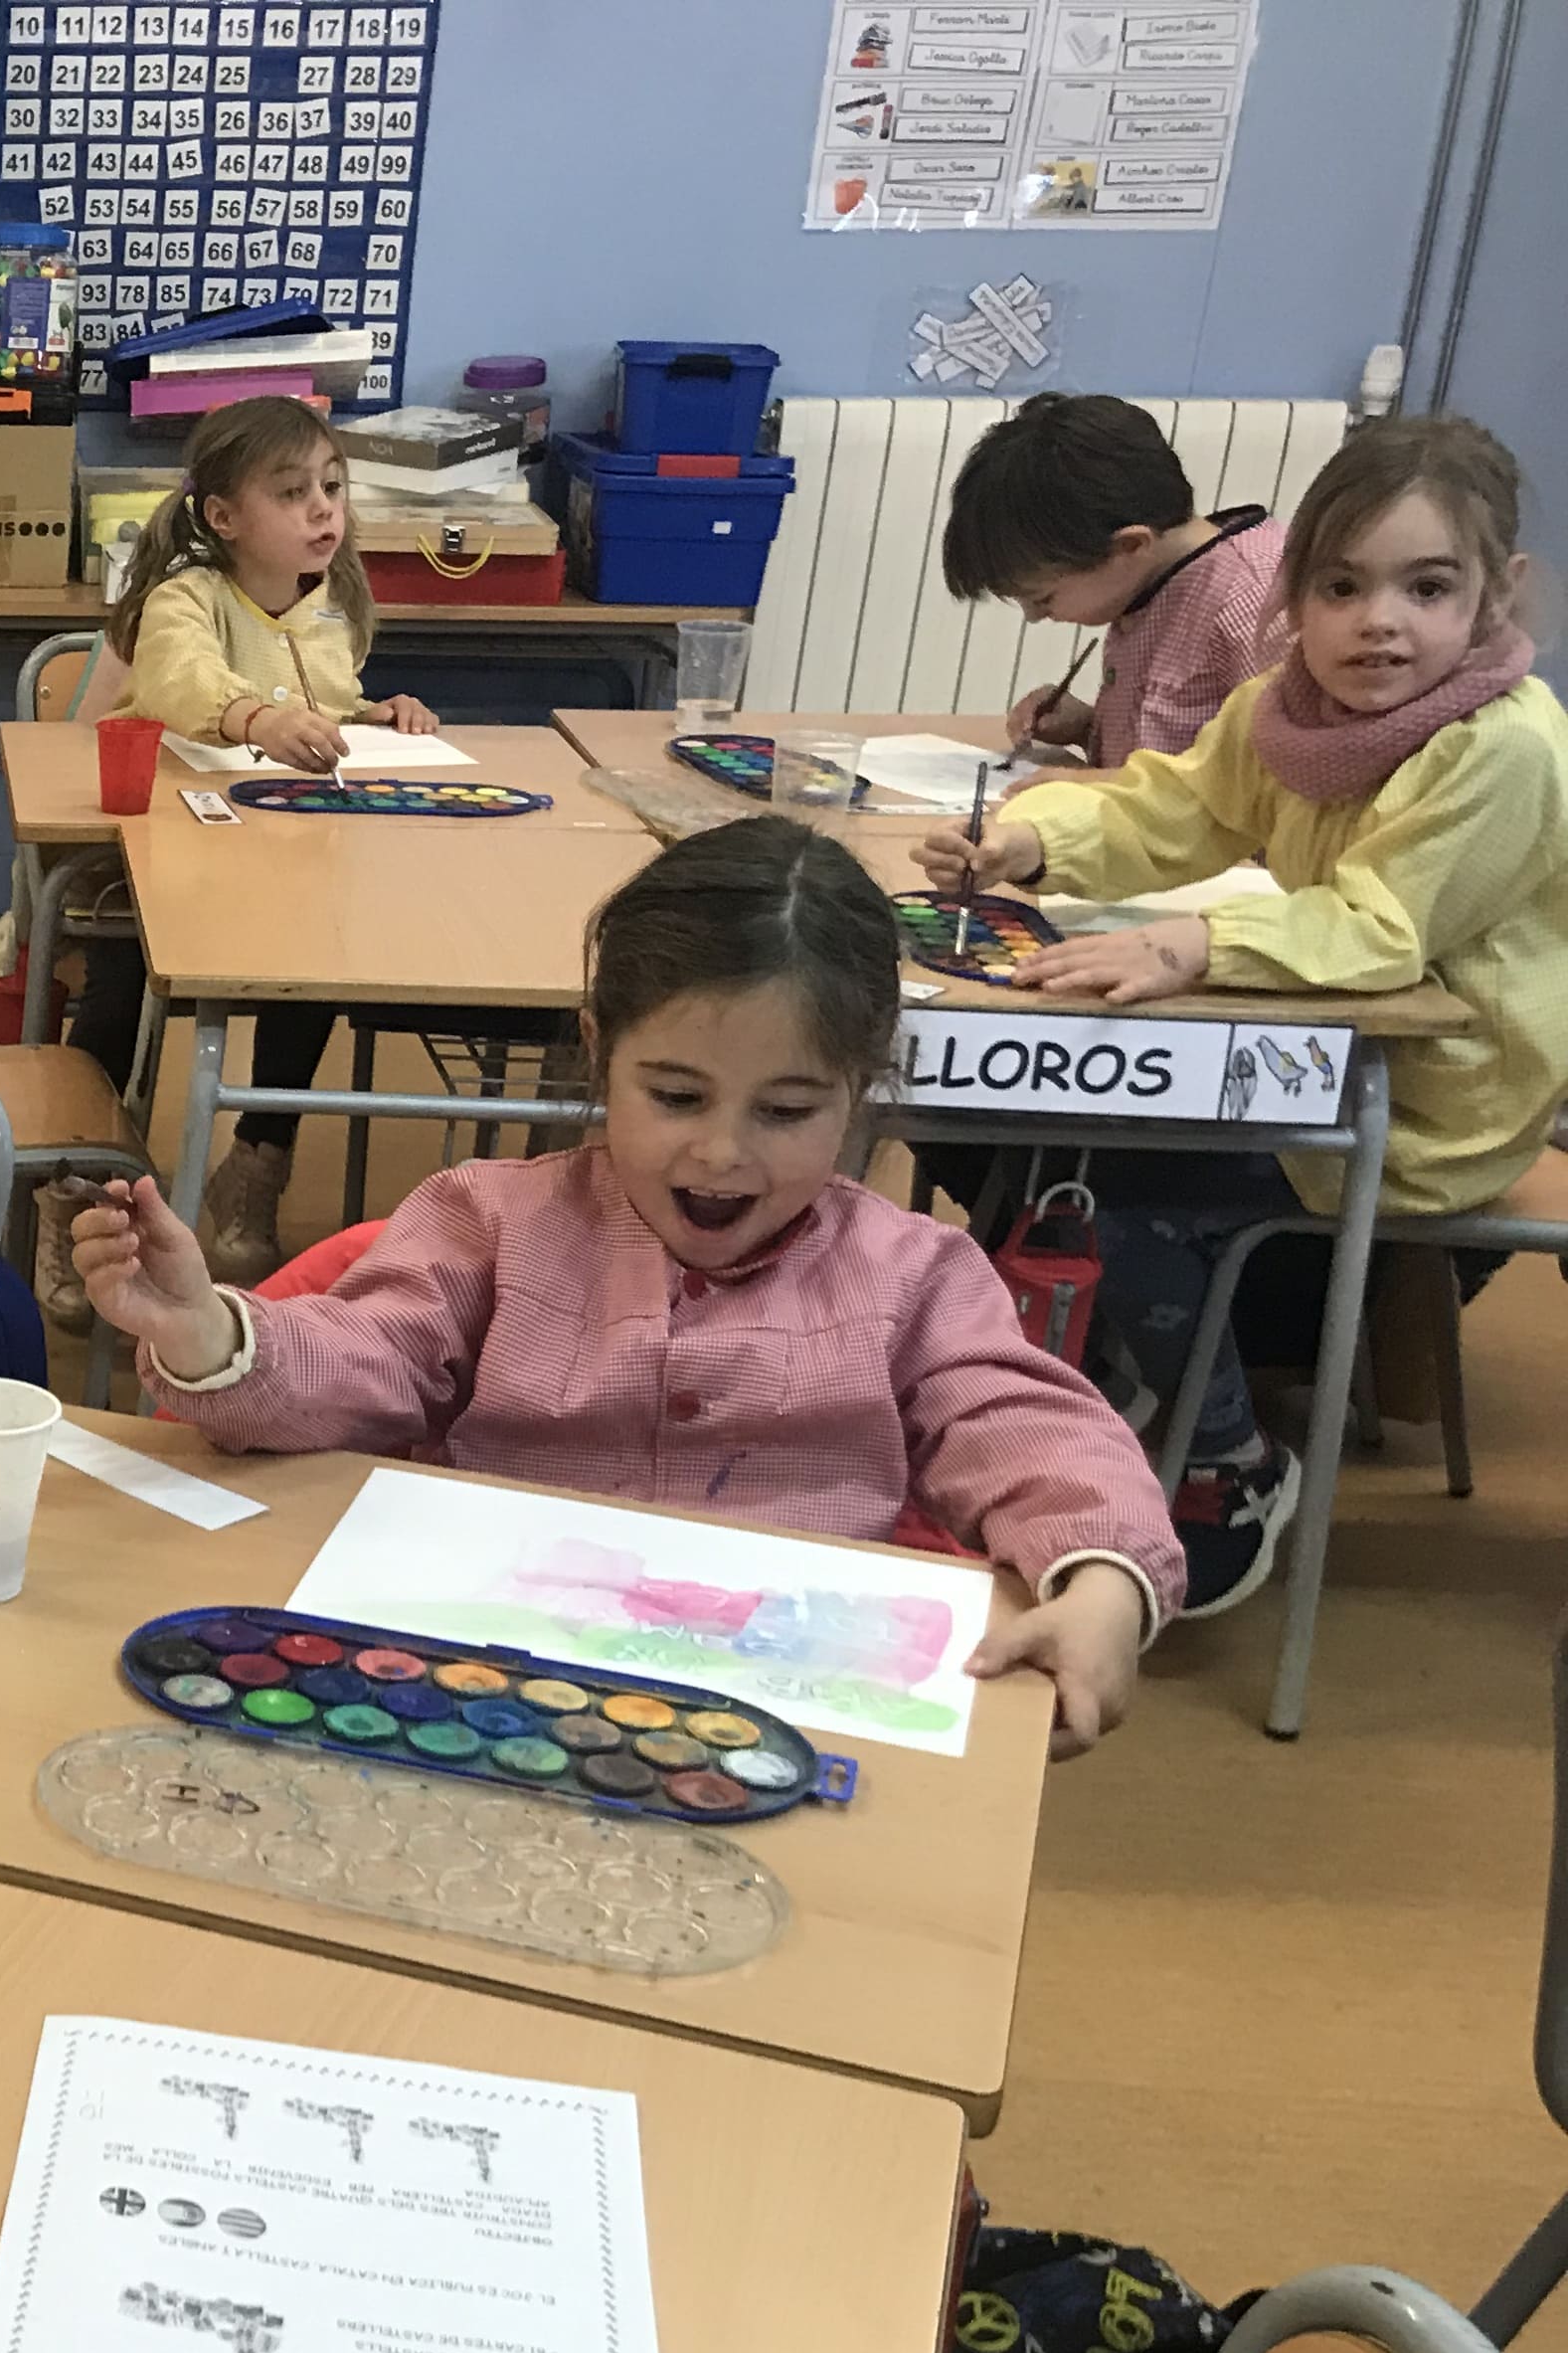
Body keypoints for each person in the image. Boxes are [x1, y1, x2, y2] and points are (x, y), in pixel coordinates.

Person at [73, 817, 1181, 1759]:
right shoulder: (488, 1224)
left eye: (787, 1111)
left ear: (863, 1083)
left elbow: (1030, 1427)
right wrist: (212, 1331)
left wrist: (1104, 1582)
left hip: (784, 1726)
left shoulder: (913, 1275)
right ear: (600, 1050)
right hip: (486, 1701)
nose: (722, 1153)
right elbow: (368, 1361)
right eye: (676, 1096)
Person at [920, 414, 1568, 1616]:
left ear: (1498, 594)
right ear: (1294, 596)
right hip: (1316, 1055)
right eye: (1341, 586)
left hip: (1431, 1100)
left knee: (1120, 1203)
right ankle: (1108, 1392)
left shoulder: (1504, 747)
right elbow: (1174, 809)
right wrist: (1027, 842)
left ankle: (1229, 1465)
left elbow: (1380, 932)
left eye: (1428, 588)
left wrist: (1195, 943)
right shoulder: (1290, 706)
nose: (1379, 622)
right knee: (1045, 1143)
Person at [74, 395, 443, 1302]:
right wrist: (258, 718)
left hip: (274, 854)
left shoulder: (332, 606)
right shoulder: (185, 598)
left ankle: (257, 1162)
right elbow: (182, 681)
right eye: (292, 492)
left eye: (333, 488)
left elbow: (328, 700)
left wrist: (377, 713)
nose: (323, 510)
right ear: (224, 516)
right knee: (119, 982)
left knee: (311, 964)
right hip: (156, 859)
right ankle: (79, 1193)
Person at [940, 392, 1292, 769]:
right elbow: (1179, 741)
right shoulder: (1149, 581)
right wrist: (1088, 727)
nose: (1035, 616)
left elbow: (1282, 781)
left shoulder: (1254, 603)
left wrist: (1095, 785)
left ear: (1130, 546)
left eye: (1043, 598)